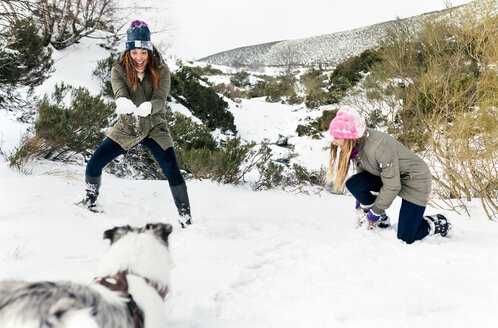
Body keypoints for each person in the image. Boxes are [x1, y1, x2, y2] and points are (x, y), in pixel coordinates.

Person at [78, 20, 191, 227]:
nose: (139, 58)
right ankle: (89, 201)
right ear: (129, 51)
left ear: (150, 51)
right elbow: (119, 89)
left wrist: (150, 106)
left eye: (143, 52)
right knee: (94, 164)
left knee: (172, 170)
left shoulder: (161, 69)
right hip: (127, 126)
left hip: (155, 127)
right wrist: (121, 100)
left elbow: (161, 98)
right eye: (135, 52)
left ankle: (186, 218)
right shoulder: (118, 68)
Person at [327, 106, 450, 244]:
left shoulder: (378, 147)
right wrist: (361, 199)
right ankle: (382, 220)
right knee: (353, 184)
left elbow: (393, 185)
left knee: (406, 238)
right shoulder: (356, 144)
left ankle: (440, 222)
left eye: (337, 137)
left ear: (349, 136)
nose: (334, 141)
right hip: (390, 176)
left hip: (415, 180)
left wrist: (375, 212)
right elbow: (364, 173)